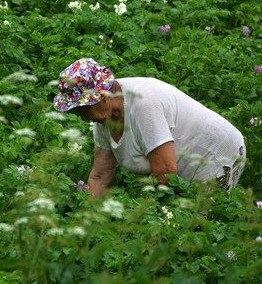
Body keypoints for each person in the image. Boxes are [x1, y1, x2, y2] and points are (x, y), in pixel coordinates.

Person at [53, 58, 246, 198]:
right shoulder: (104, 120)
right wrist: (85, 222)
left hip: (216, 151)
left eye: (84, 108)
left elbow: (165, 171)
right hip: (181, 165)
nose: (83, 117)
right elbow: (100, 175)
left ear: (102, 95)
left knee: (200, 228)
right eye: (77, 112)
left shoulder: (143, 104)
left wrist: (140, 214)